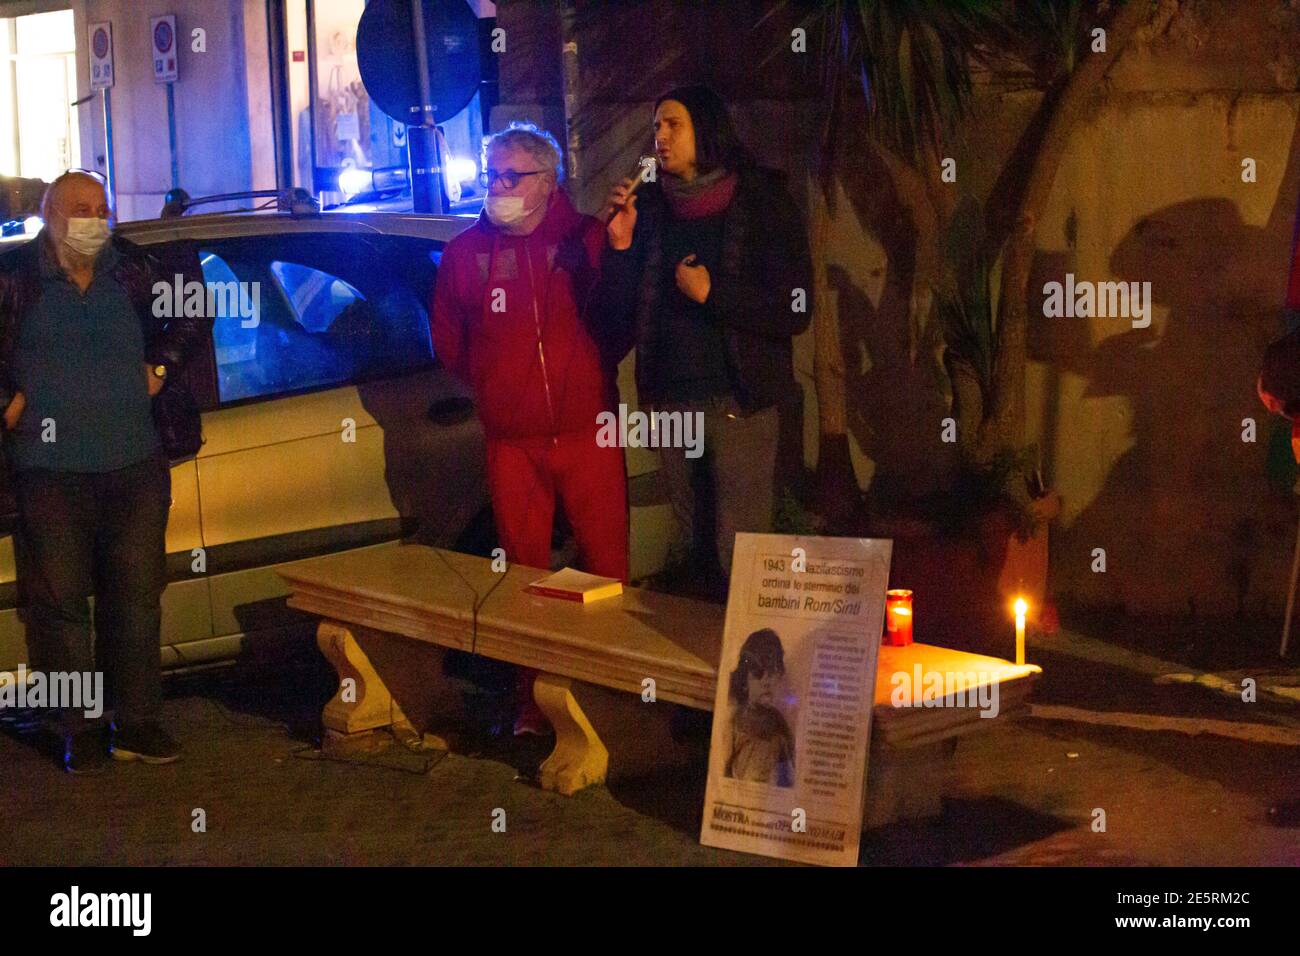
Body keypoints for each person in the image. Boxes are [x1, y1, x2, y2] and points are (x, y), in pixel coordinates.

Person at [0, 170, 209, 774]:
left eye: (102, 208)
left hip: (135, 469)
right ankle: (80, 731)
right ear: (49, 217)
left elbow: (195, 314)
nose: (95, 219)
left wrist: (163, 366)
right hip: (49, 474)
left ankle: (139, 724)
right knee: (62, 607)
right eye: (79, 209)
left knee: (137, 600)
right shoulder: (16, 279)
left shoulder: (134, 270)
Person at [430, 123, 632, 735]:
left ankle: (614, 695)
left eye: (510, 176)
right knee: (523, 575)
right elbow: (448, 339)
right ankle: (533, 703)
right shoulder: (468, 253)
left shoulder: (585, 239)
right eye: (490, 176)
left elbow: (619, 320)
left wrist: (619, 251)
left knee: (606, 569)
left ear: (548, 182)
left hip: (585, 433)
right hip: (512, 443)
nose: (496, 187)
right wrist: (498, 389)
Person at [596, 84, 812, 587]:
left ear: (707, 130)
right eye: (656, 127)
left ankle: (741, 659)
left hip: (738, 401)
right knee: (688, 542)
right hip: (670, 399)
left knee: (741, 549)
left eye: (674, 125)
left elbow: (795, 308)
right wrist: (621, 246)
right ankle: (689, 654)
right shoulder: (648, 207)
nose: (661, 138)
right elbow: (617, 315)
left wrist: (714, 293)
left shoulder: (762, 200)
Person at [724, 628, 795, 787]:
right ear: (745, 680)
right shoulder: (734, 721)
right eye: (758, 674)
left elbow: (790, 775)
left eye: (772, 673)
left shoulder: (780, 724)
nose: (766, 682)